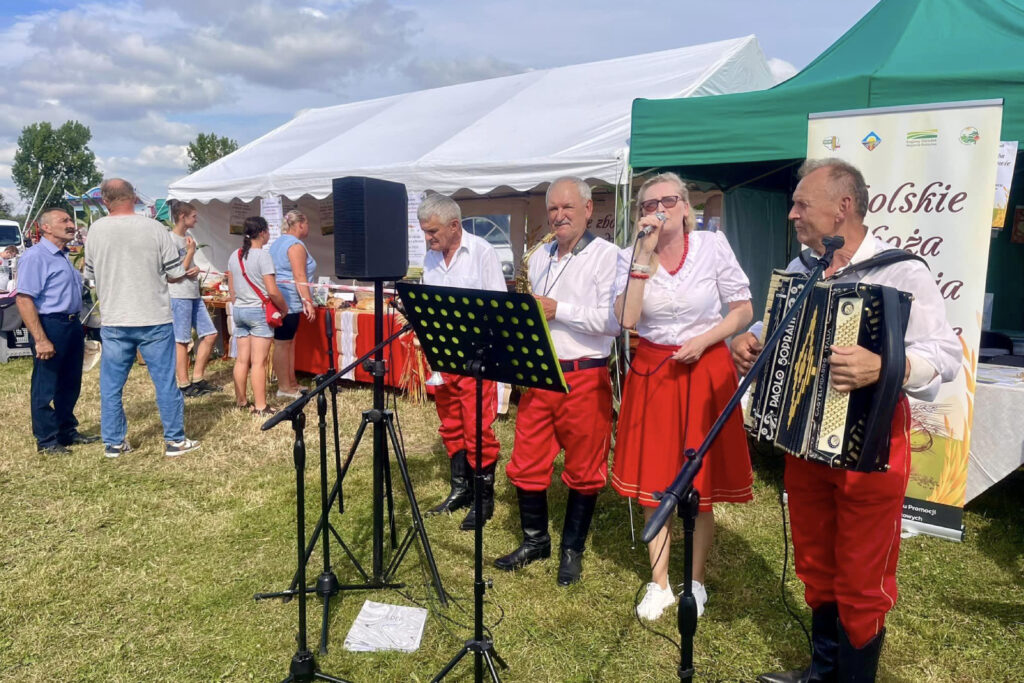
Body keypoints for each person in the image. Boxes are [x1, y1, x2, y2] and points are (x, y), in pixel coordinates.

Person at [734, 160, 961, 683]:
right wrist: (751, 343)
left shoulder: (901, 271)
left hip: (872, 444)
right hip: (806, 441)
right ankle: (823, 672)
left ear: (844, 206)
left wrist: (886, 365)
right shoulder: (800, 269)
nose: (791, 213)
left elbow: (946, 357)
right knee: (815, 562)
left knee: (862, 574)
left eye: (800, 204)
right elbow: (776, 328)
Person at [612, 171, 755, 621]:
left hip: (706, 366)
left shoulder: (713, 246)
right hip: (655, 369)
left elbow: (744, 310)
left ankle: (695, 578)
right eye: (648, 204)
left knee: (700, 482)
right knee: (656, 481)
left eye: (668, 201)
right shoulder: (631, 255)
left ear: (686, 206)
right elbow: (628, 319)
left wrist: (709, 339)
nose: (658, 210)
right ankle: (659, 585)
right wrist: (642, 257)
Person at [494, 177, 619, 586]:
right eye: (553, 209)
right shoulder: (542, 254)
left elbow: (615, 323)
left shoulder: (608, 256)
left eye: (568, 207)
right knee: (527, 461)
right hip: (540, 373)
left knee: (585, 469)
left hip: (585, 374)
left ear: (588, 209)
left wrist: (558, 309)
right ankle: (536, 541)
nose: (559, 216)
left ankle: (572, 550)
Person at [84, 178, 200, 458]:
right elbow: (174, 274)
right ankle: (175, 440)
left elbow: (89, 277)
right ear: (134, 197)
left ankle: (113, 442)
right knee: (165, 383)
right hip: (153, 317)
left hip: (114, 319)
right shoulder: (154, 228)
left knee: (112, 386)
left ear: (104, 200)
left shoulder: (96, 230)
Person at [419, 193, 506, 531]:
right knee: (451, 424)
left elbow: (498, 306)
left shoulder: (482, 252)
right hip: (444, 356)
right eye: (425, 232)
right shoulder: (430, 258)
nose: (428, 238)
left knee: (476, 428)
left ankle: (484, 498)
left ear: (455, 226)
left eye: (433, 232)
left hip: (475, 359)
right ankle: (461, 490)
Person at [15, 208, 99, 454]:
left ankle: (66, 430)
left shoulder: (63, 255)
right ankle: (47, 440)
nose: (71, 224)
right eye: (65, 220)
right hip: (50, 324)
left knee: (70, 382)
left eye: (71, 220)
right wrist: (41, 339)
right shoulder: (36, 256)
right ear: (47, 228)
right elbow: (24, 299)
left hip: (71, 324)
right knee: (46, 384)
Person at [227, 216, 288, 416]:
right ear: (262, 232)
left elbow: (232, 287)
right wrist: (283, 307)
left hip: (240, 310)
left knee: (242, 359)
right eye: (268, 231)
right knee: (259, 362)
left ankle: (242, 401)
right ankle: (261, 406)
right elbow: (272, 290)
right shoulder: (263, 256)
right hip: (259, 311)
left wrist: (239, 304)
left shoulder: (235, 255)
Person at [167, 200, 219, 398]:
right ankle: (183, 383)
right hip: (179, 295)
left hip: (192, 293)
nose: (196, 220)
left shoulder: (188, 237)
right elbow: (174, 273)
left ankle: (198, 378)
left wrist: (194, 269)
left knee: (210, 334)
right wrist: (189, 254)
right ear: (182, 216)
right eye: (194, 216)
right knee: (182, 340)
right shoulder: (170, 240)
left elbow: (187, 268)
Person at [269, 210, 317, 398]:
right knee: (283, 343)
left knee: (289, 342)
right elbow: (299, 276)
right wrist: (308, 301)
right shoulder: (295, 245)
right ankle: (284, 387)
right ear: (300, 225)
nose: (308, 228)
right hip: (288, 300)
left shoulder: (278, 243)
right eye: (307, 224)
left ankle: (291, 382)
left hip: (285, 299)